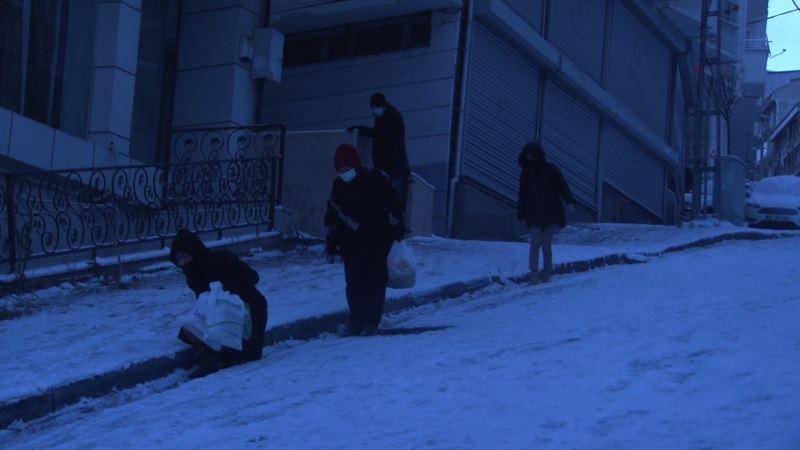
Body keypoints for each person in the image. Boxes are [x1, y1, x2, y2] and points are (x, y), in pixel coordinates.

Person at [324, 143, 405, 336]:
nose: (344, 173)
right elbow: (332, 212)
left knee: (374, 281)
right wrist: (332, 237)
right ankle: (356, 321)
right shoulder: (338, 186)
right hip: (351, 243)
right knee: (354, 282)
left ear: (356, 165)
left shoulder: (374, 180)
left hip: (377, 240)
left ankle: (371, 321)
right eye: (340, 170)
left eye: (347, 169)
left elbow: (394, 205)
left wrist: (395, 228)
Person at [170, 229, 268, 375]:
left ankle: (217, 356)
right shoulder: (192, 275)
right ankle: (211, 357)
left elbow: (253, 276)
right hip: (221, 312)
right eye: (179, 259)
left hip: (249, 307)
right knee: (190, 329)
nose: (182, 262)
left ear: (194, 253)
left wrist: (229, 287)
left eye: (185, 257)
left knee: (247, 355)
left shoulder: (222, 258)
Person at [516, 142, 576, 283]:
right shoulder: (525, 174)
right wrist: (521, 213)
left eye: (532, 156)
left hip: (551, 214)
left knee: (546, 243)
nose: (530, 158)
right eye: (527, 156)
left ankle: (547, 271)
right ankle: (534, 273)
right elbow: (522, 195)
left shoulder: (551, 170)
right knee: (535, 243)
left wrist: (570, 202)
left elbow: (563, 187)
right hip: (533, 214)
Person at [346, 92, 411, 212]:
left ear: (379, 105)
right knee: (387, 207)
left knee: (393, 208)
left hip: (395, 171)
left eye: (374, 108)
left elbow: (380, 134)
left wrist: (361, 129)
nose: (374, 111)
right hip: (389, 170)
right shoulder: (384, 116)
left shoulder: (392, 117)